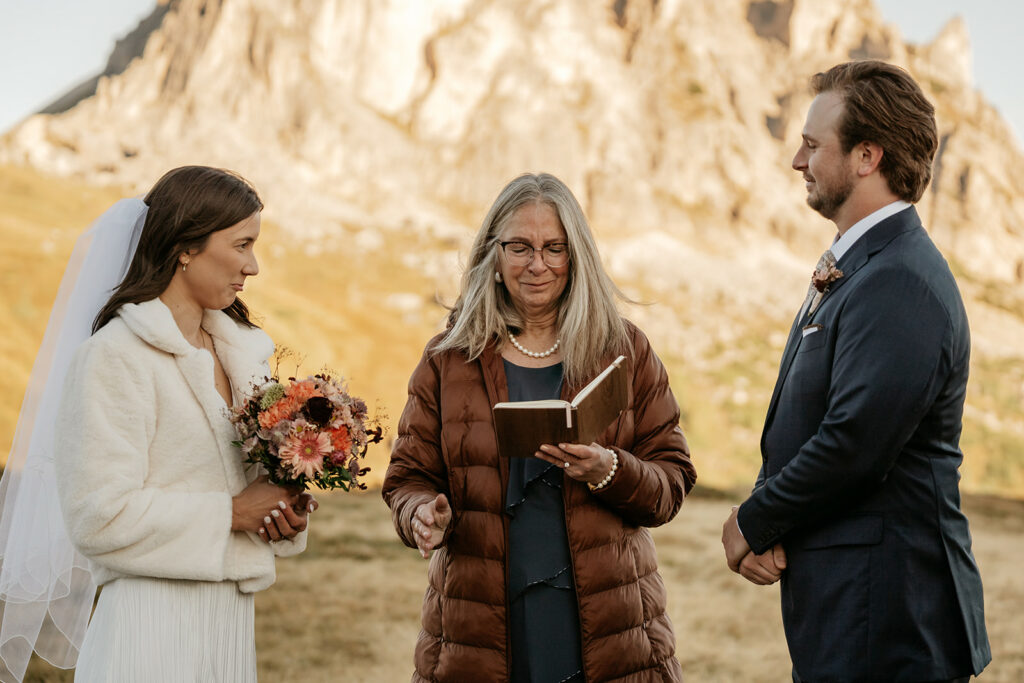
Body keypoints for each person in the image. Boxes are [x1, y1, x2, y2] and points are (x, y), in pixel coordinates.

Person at [721, 61, 991, 682]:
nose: (797, 160)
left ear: (867, 156)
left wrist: (754, 520)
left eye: (813, 146)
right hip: (849, 608)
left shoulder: (900, 278)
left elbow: (856, 442)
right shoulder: (864, 265)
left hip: (888, 617)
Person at [0, 166, 315, 682]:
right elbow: (97, 517)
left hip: (230, 624)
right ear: (186, 246)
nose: (252, 266)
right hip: (147, 630)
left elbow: (241, 491)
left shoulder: (245, 357)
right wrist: (232, 514)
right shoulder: (113, 358)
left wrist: (281, 514)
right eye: (241, 245)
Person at [383, 172, 697, 683]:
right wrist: (420, 513)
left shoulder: (623, 349)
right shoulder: (449, 358)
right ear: (493, 252)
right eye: (520, 247)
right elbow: (406, 479)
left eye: (555, 248)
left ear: (577, 257)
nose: (537, 264)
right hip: (479, 623)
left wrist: (609, 469)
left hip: (608, 623)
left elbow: (672, 482)